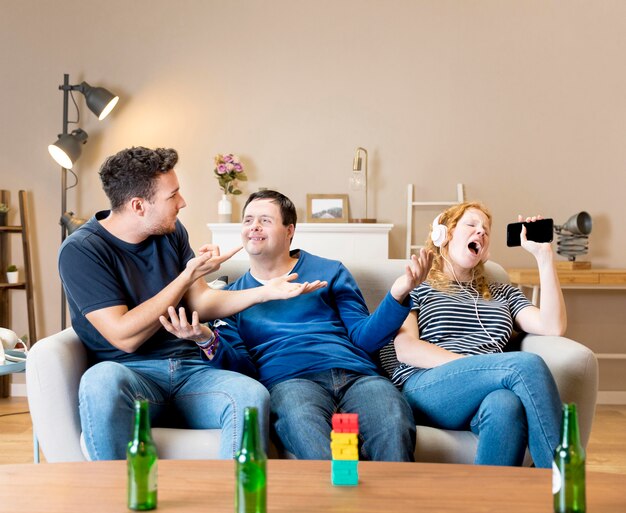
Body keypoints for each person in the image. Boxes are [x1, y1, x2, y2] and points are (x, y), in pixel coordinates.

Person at [59, 147, 323, 460]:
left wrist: (266, 291)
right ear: (138, 206)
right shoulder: (82, 251)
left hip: (192, 372)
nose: (182, 203)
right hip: (131, 376)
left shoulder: (170, 233)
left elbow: (203, 301)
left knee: (251, 394)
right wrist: (185, 277)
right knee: (99, 381)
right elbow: (123, 336)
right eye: (173, 196)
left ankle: (235, 503)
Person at [161, 189, 433, 461]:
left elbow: (363, 338)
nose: (254, 226)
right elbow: (243, 370)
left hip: (358, 377)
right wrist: (207, 339)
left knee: (392, 420)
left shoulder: (330, 271)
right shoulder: (232, 298)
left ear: (289, 230)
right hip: (290, 383)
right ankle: (339, 502)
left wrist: (398, 294)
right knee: (305, 428)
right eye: (248, 220)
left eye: (265, 220)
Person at [381, 201, 565, 468]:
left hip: (488, 385)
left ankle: (487, 502)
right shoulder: (419, 285)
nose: (480, 232)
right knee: (527, 365)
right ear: (444, 234)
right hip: (429, 386)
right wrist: (472, 366)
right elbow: (406, 348)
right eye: (471, 225)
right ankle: (563, 482)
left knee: (505, 406)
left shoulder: (504, 293)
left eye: (486, 231)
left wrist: (544, 257)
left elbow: (553, 326)